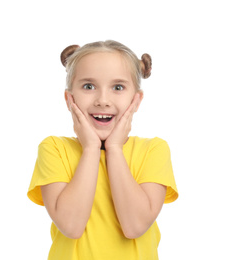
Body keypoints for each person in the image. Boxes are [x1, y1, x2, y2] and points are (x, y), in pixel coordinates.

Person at [27, 40, 178, 260]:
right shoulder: (54, 148)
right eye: (89, 86)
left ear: (136, 101)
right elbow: (71, 226)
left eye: (118, 87)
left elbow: (135, 226)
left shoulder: (154, 150)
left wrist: (114, 148)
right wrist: (90, 148)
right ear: (70, 99)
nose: (103, 100)